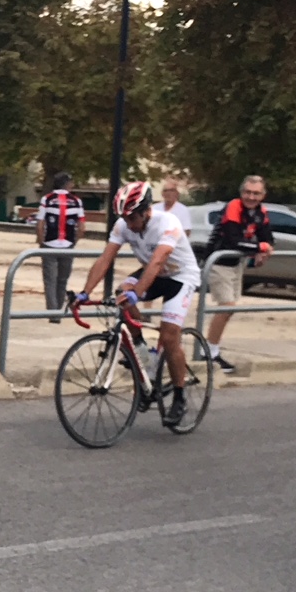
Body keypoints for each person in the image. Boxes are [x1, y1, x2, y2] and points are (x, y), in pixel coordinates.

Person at [73, 181, 202, 426]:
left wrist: (138, 293)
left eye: (133, 218)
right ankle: (142, 351)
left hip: (180, 277)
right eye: (125, 218)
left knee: (170, 335)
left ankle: (179, 397)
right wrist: (84, 293)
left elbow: (156, 262)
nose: (129, 224)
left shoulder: (168, 223)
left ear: (146, 211)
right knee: (122, 293)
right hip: (155, 274)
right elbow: (105, 259)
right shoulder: (123, 225)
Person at [201, 175, 275, 373]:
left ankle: (211, 349)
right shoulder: (234, 207)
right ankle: (208, 352)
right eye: (247, 192)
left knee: (229, 309)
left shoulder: (261, 212)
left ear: (263, 195)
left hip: (236, 263)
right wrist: (259, 247)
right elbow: (233, 241)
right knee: (226, 306)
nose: (251, 197)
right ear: (241, 192)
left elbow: (268, 239)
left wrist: (263, 251)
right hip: (218, 261)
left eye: (256, 193)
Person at [34, 172, 88, 322]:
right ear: (67, 184)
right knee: (62, 279)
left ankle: (53, 313)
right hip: (68, 244)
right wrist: (74, 241)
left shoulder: (47, 199)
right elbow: (82, 227)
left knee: (50, 280)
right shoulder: (76, 201)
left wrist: (41, 241)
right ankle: (58, 310)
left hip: (49, 243)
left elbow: (40, 223)